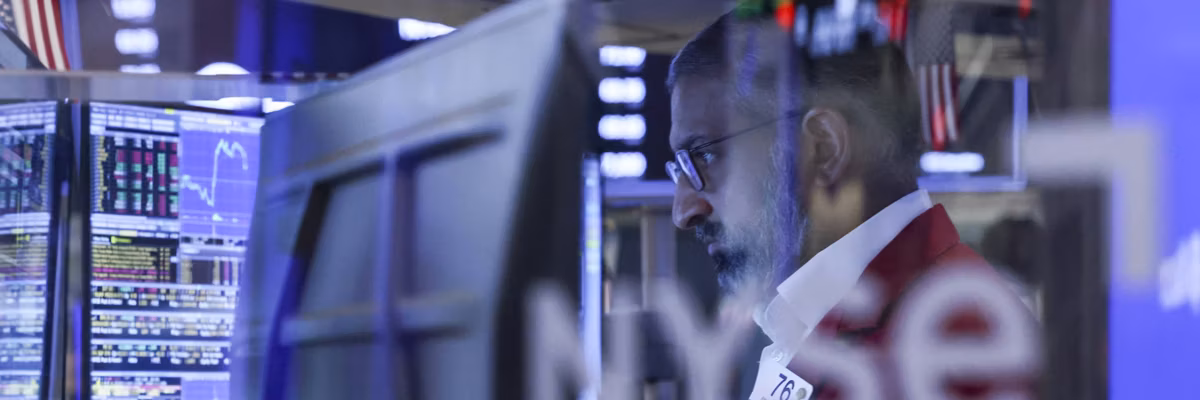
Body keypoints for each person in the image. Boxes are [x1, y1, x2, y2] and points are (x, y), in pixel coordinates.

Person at [665, 9, 1036, 399]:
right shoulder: (838, 325)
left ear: (823, 148)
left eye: (703, 156)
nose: (683, 211)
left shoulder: (947, 348)